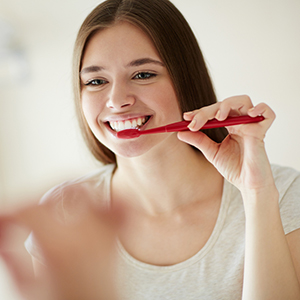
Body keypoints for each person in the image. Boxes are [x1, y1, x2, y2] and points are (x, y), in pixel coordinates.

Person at [20, 0, 300, 299]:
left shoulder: (280, 193)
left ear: (185, 79)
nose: (117, 100)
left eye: (143, 75)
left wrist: (257, 194)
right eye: (96, 81)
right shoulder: (64, 213)